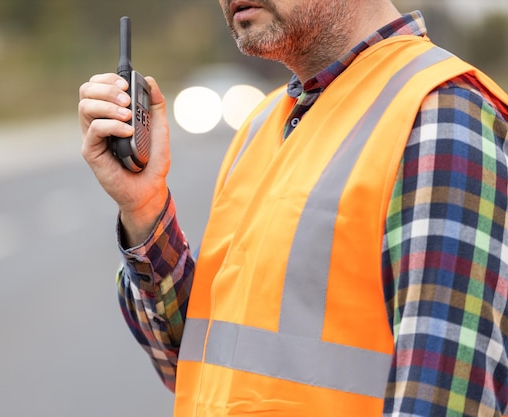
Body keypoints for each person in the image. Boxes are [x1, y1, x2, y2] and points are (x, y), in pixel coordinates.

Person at [78, 1, 508, 415]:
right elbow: (192, 364)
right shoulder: (263, 123)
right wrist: (144, 209)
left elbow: (446, 397)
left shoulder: (440, 116)